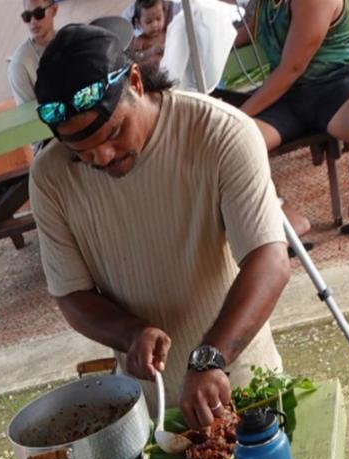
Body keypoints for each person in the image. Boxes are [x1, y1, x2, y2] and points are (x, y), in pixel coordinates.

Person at [28, 24, 290, 429]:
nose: (102, 157)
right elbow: (72, 295)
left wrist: (211, 357)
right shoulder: (50, 177)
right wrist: (131, 334)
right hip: (148, 407)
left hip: (241, 382)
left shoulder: (220, 133)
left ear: (135, 81)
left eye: (114, 132)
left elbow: (269, 260)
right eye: (80, 152)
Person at [234, 0, 349, 242]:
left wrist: (239, 116)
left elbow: (293, 67)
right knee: (236, 145)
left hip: (336, 85)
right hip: (287, 98)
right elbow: (251, 31)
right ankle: (285, 215)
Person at [8, 1, 60, 105]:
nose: (33, 21)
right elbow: (30, 115)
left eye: (39, 13)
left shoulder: (72, 41)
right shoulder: (19, 64)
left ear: (54, 10)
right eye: (27, 16)